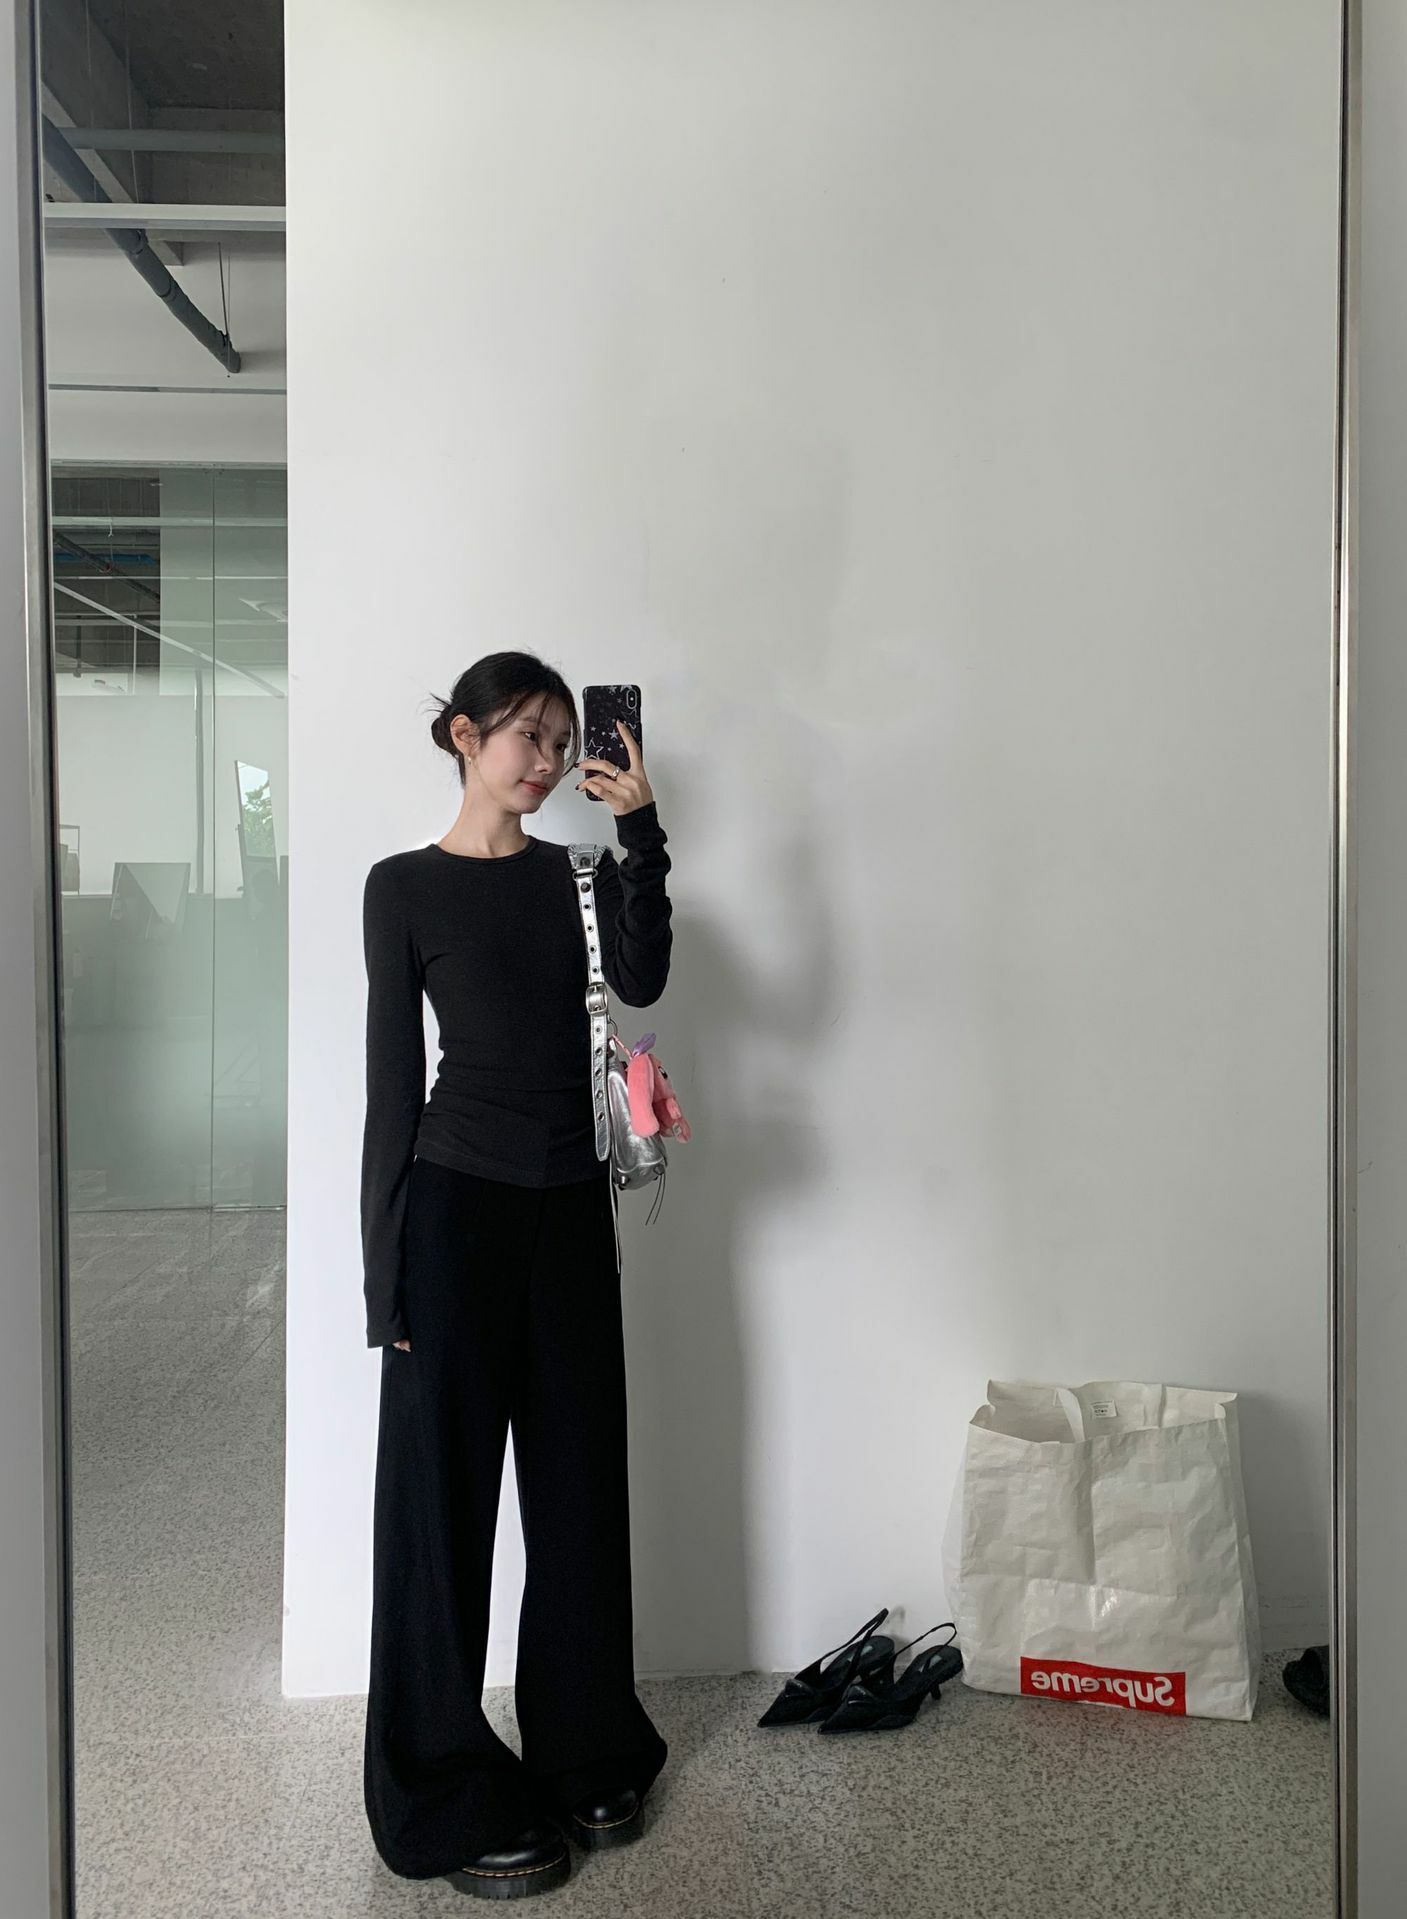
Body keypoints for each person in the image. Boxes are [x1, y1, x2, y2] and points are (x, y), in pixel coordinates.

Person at [359, 651, 673, 1899]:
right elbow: (393, 1089)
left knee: (580, 1484)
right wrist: (383, 1279)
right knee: (441, 1508)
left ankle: (586, 1741)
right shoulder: (400, 887)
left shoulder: (578, 876)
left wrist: (639, 826)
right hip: (452, 1216)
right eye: (524, 736)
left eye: (560, 739)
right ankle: (439, 1777)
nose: (546, 761)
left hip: (569, 1210)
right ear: (463, 735)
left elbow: (642, 977)